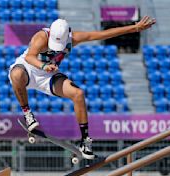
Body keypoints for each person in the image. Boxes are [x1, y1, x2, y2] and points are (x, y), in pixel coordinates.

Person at [8, 16, 156, 159]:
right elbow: (29, 57)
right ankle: (28, 114)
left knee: (78, 94)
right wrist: (44, 65)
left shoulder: (74, 38)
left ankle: (85, 141)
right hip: (29, 69)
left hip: (48, 76)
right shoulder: (41, 36)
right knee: (16, 75)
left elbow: (102, 34)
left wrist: (135, 27)